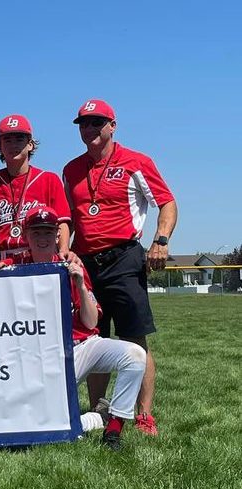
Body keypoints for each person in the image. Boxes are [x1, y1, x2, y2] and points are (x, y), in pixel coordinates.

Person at [63, 99, 177, 436]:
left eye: (97, 122)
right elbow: (68, 218)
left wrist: (161, 241)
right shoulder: (71, 170)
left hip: (123, 257)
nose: (90, 129)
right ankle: (99, 409)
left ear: (113, 125)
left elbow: (167, 202)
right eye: (84, 123)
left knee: (134, 338)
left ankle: (143, 414)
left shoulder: (136, 161)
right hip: (85, 261)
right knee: (92, 338)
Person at [12, 206, 147, 449]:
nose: (42, 238)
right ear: (25, 236)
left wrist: (81, 285)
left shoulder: (70, 264)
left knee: (135, 356)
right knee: (36, 418)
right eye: (36, 232)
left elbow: (91, 322)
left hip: (81, 347)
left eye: (48, 232)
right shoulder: (16, 265)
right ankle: (94, 419)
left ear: (57, 236)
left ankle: (114, 429)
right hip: (40, 356)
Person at [0, 115, 71, 263]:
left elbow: (61, 222)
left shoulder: (49, 179)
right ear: (0, 146)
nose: (13, 145)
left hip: (40, 255)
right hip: (5, 259)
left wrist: (64, 248)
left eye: (19, 139)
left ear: (30, 144)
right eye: (7, 140)